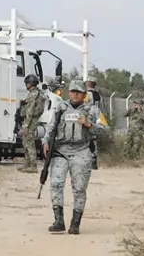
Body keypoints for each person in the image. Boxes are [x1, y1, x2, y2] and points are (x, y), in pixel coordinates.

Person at [41, 80, 108, 235]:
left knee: (79, 188)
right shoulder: (61, 107)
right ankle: (58, 221)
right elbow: (52, 126)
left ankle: (75, 223)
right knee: (56, 184)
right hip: (61, 151)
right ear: (69, 92)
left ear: (84, 94)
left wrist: (89, 125)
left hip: (81, 151)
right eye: (73, 91)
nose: (76, 94)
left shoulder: (92, 110)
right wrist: (45, 140)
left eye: (79, 92)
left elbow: (105, 131)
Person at [17, 74, 48, 174]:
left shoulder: (33, 94)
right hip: (33, 119)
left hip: (31, 120)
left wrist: (26, 125)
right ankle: (28, 164)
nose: (26, 85)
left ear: (30, 84)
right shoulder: (38, 93)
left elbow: (29, 111)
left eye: (27, 83)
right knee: (26, 141)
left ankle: (32, 165)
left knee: (29, 142)